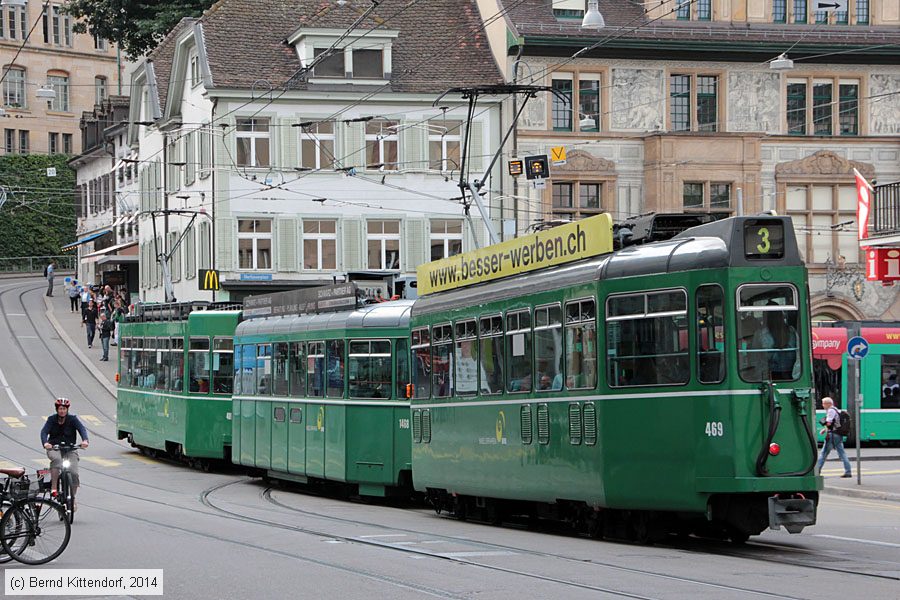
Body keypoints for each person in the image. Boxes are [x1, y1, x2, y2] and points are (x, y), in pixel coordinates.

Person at [40, 398, 89, 507]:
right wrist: (45, 443)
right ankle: (54, 487)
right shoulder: (51, 419)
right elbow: (44, 432)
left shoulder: (73, 419)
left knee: (74, 472)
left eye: (64, 409)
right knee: (56, 460)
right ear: (57, 409)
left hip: (70, 448)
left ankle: (73, 498)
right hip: (54, 448)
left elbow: (82, 429)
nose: (62, 411)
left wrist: (85, 440)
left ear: (67, 410)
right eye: (60, 409)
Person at [816, 396, 852, 478]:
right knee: (842, 453)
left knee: (824, 453)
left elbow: (829, 423)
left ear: (828, 404)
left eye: (823, 404)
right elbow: (834, 423)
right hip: (837, 434)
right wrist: (824, 430)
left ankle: (817, 471)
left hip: (833, 435)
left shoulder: (830, 411)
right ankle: (848, 471)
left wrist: (824, 424)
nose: (822, 405)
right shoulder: (835, 410)